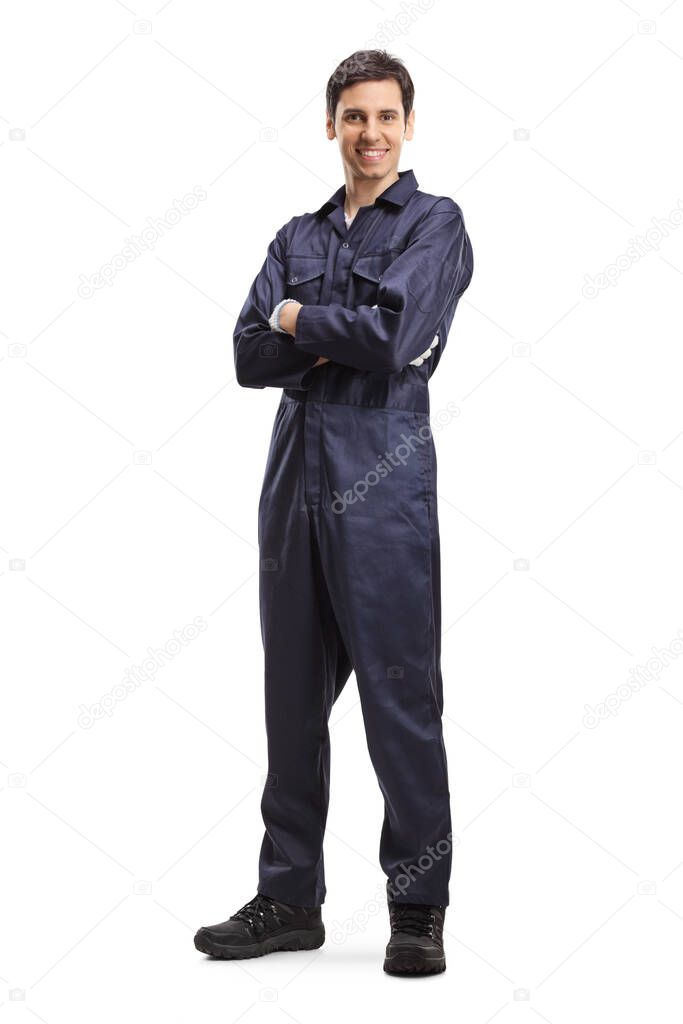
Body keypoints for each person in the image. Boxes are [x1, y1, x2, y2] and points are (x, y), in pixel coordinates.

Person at [194, 48, 474, 976]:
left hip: (383, 478)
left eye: (385, 117)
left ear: (407, 125)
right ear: (330, 126)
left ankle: (416, 906)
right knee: (289, 699)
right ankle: (288, 897)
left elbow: (397, 339)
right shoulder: (297, 234)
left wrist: (295, 324)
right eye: (353, 117)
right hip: (293, 478)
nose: (370, 133)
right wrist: (313, 337)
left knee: (400, 697)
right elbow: (243, 356)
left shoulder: (435, 224)